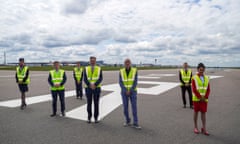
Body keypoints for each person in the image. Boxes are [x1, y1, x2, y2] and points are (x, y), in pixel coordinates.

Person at [119, 58, 141, 129]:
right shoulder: (121, 71)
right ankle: (128, 120)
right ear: (124, 64)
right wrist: (125, 90)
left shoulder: (135, 70)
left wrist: (130, 90)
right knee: (125, 107)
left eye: (128, 63)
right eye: (126, 63)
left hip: (133, 92)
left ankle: (136, 122)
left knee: (134, 107)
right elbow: (120, 82)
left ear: (130, 63)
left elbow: (135, 81)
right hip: (124, 92)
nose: (127, 64)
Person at [192, 63, 210, 135]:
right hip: (197, 99)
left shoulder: (206, 78)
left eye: (202, 70)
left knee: (203, 114)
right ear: (198, 69)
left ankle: (204, 128)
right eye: (200, 70)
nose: (201, 71)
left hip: (204, 100)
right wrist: (200, 97)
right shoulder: (194, 78)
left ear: (204, 70)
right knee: (196, 113)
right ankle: (196, 127)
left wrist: (205, 97)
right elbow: (194, 89)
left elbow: (208, 89)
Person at [84, 56, 102, 123]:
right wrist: (89, 85)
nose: (92, 61)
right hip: (88, 88)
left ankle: (96, 118)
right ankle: (89, 117)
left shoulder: (99, 68)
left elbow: (100, 78)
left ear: (95, 61)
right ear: (89, 61)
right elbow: (85, 79)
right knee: (89, 103)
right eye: (91, 60)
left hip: (96, 88)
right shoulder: (86, 68)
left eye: (94, 60)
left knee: (96, 104)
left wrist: (95, 84)